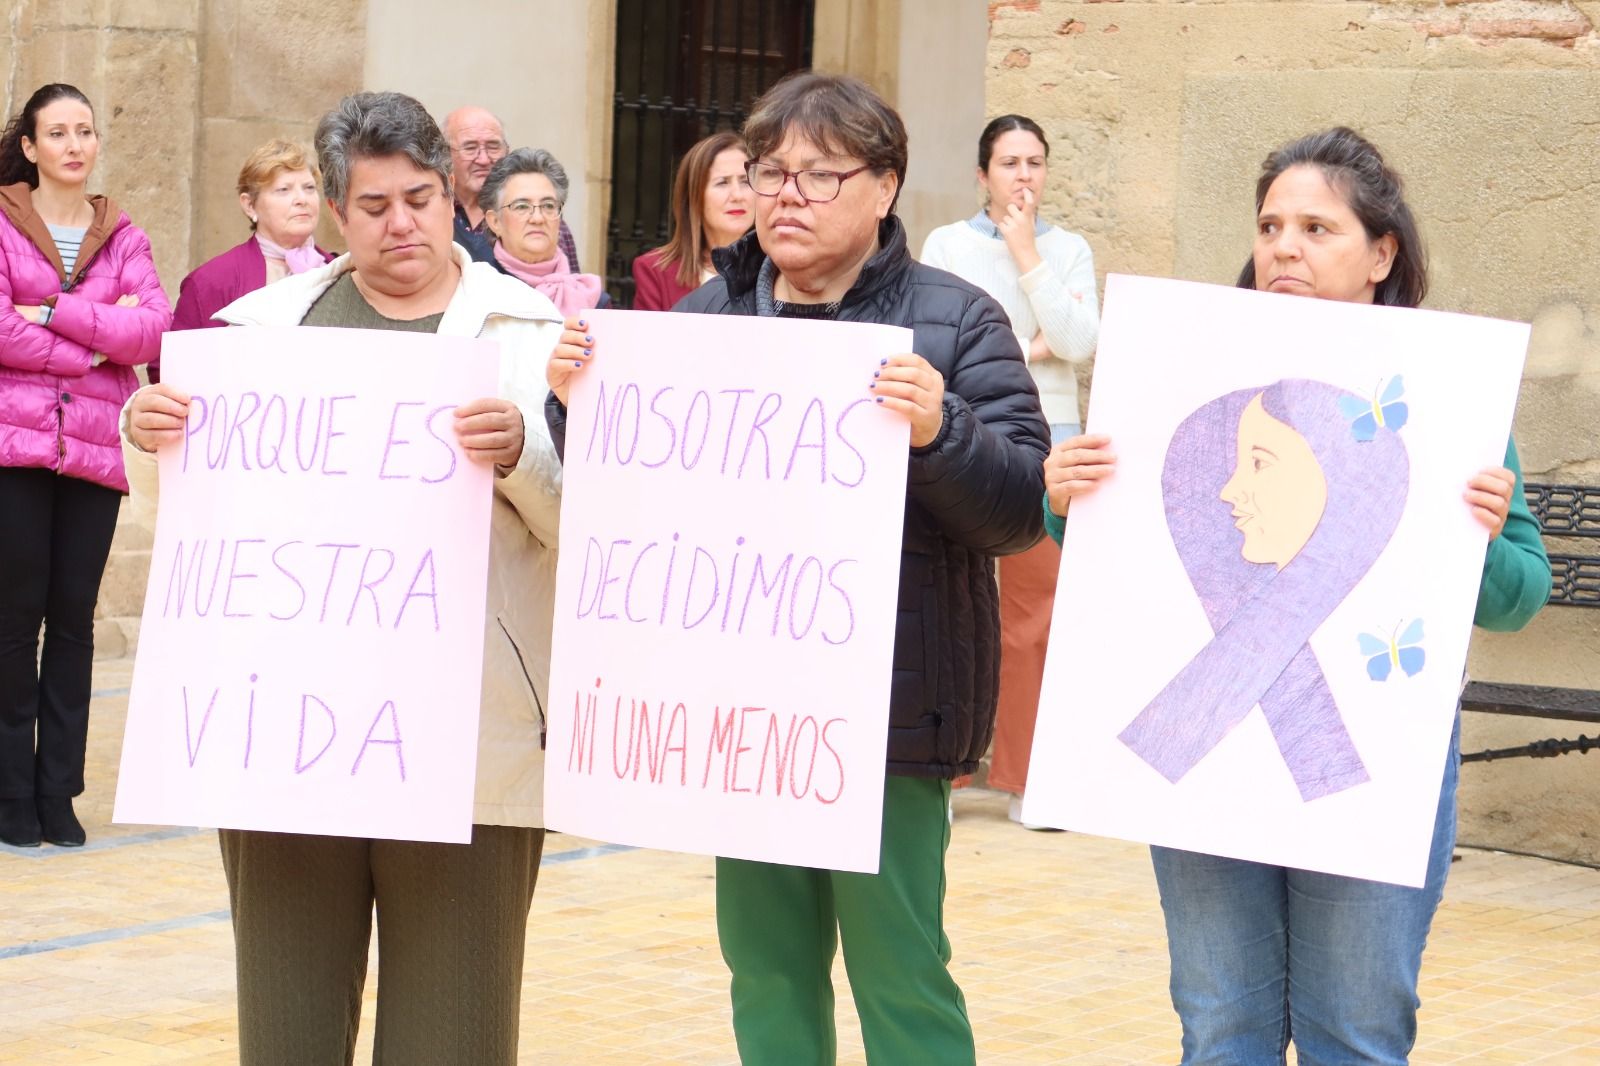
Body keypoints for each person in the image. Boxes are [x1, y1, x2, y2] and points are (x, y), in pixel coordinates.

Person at [547, 71, 1050, 1066]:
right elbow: (631, 496)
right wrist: (576, 404)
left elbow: (1017, 508)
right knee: (767, 967)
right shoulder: (701, 320)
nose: (784, 195)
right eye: (770, 172)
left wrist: (939, 429)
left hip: (889, 713)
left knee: (900, 969)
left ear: (886, 188)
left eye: (819, 176)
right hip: (745, 713)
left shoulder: (957, 323)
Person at [1042, 126, 1550, 1066]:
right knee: (1220, 1023)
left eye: (1319, 227)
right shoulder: (1188, 378)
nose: (1284, 245)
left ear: (1381, 253)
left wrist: (1484, 532)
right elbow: (1118, 554)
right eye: (1272, 224)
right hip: (1211, 764)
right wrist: (1068, 496)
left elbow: (1520, 596)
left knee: (1353, 1032)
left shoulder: (1444, 396)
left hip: (1372, 761)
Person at [123, 91, 577, 1064]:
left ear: (452, 197)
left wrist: (520, 454)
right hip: (286, 745)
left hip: (467, 746)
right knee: (286, 1034)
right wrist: (148, 435)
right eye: (373, 206)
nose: (400, 223)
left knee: (451, 1037)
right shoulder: (259, 332)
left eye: (418, 197)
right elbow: (205, 532)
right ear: (335, 210)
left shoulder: (535, 333)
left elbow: (591, 527)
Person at [0, 83, 170, 848]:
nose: (74, 144)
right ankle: (10, 795)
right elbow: (2, 332)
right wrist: (99, 342)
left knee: (74, 624)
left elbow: (154, 330)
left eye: (85, 131)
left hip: (94, 456)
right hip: (15, 451)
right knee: (12, 624)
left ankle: (58, 790)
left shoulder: (125, 235)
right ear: (30, 148)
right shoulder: (3, 224)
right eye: (56, 132)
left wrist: (54, 313)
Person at [920, 114, 1098, 825]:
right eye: (1008, 163)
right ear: (982, 174)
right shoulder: (946, 246)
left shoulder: (1068, 250)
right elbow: (940, 350)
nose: (1023, 176)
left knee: (1038, 615)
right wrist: (1029, 348)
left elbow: (1080, 342)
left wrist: (1028, 253)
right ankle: (945, 773)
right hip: (964, 435)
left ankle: (1028, 778)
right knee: (947, 602)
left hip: (1052, 444)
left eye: (1034, 162)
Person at [158, 139, 334, 382]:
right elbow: (170, 369)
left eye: (309, 188)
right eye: (284, 190)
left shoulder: (341, 272)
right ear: (250, 205)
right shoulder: (212, 281)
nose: (301, 199)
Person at [443, 105, 579, 269]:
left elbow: (569, 289)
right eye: (470, 148)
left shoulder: (544, 219)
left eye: (493, 146)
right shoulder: (434, 212)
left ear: (506, 150)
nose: (484, 159)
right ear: (445, 154)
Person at [631, 131, 752, 310]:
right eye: (722, 183)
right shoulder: (655, 271)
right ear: (694, 198)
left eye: (745, 181)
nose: (737, 195)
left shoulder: (778, 270)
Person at [480, 148, 602, 317]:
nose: (537, 218)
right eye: (522, 206)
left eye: (548, 206)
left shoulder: (594, 299)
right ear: (494, 222)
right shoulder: (477, 293)